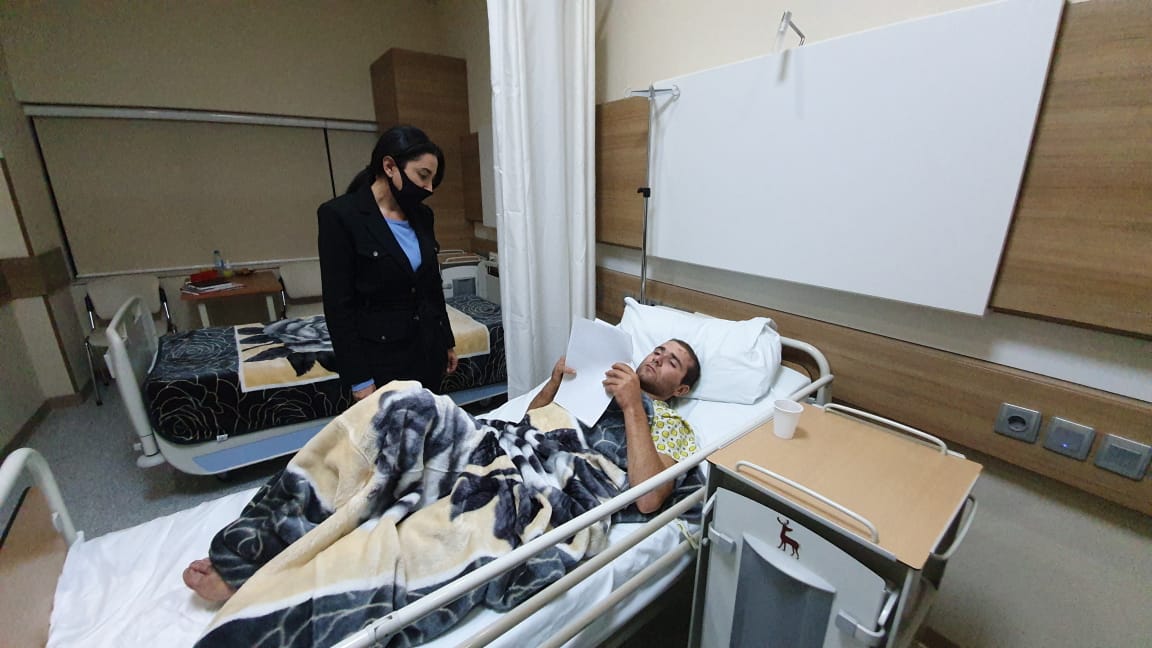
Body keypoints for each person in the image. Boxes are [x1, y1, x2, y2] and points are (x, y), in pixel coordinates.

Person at [183, 339, 702, 606]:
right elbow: (531, 420)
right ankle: (262, 539)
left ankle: (267, 574)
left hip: (544, 475)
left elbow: (649, 498)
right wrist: (554, 383)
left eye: (672, 361)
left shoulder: (672, 426)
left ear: (679, 389)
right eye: (658, 350)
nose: (658, 358)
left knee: (407, 416)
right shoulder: (601, 384)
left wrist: (632, 406)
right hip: (507, 443)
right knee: (396, 406)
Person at [318, 125, 458, 402]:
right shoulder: (341, 216)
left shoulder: (423, 216)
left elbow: (431, 287)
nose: (429, 188)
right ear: (390, 166)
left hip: (428, 350)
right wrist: (359, 377)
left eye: (432, 181)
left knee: (429, 423)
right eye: (423, 176)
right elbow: (338, 306)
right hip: (382, 359)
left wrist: (446, 342)